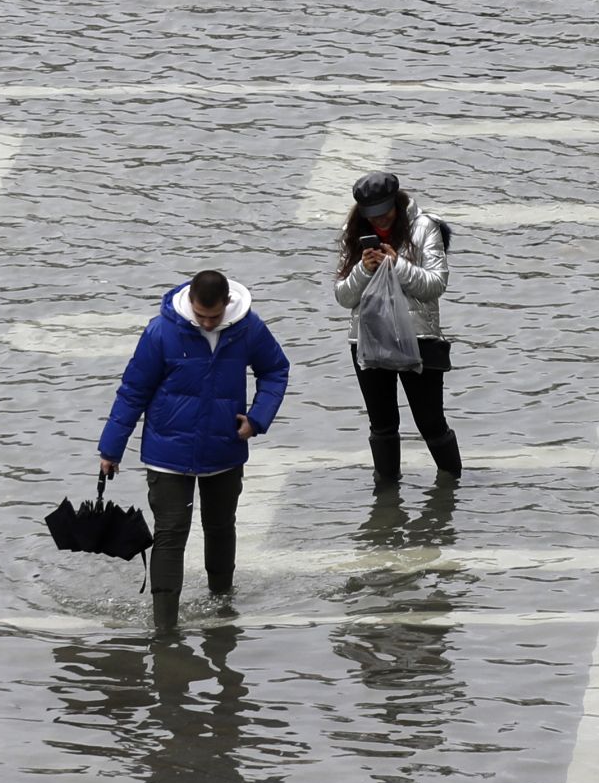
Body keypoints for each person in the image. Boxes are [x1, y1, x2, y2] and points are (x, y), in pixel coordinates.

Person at [99, 269, 290, 632]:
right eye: (200, 315)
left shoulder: (247, 328)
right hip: (167, 453)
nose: (206, 322)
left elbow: (276, 370)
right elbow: (132, 391)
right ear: (190, 302)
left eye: (213, 317)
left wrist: (257, 418)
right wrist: (111, 449)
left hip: (224, 450)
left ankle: (222, 610)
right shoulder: (161, 331)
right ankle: (164, 628)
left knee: (220, 528)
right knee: (171, 534)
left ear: (227, 304)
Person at [334, 171, 461, 489]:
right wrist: (364, 269)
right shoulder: (354, 232)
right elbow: (344, 296)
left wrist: (398, 264)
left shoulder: (424, 227)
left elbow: (435, 285)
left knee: (431, 423)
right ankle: (386, 495)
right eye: (372, 217)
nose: (379, 222)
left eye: (385, 214)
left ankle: (452, 487)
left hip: (418, 340)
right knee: (382, 426)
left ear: (396, 204)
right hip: (369, 340)